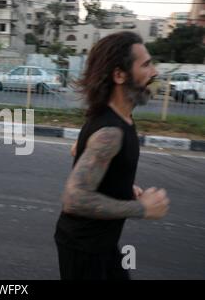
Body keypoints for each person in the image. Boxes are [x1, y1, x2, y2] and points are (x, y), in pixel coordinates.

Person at [54, 31, 170, 280]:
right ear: (119, 75)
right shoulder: (110, 132)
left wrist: (121, 185)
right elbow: (74, 199)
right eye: (146, 65)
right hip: (84, 249)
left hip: (102, 244)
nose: (155, 72)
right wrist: (141, 208)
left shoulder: (118, 116)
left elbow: (78, 149)